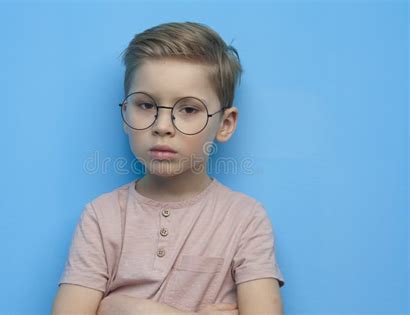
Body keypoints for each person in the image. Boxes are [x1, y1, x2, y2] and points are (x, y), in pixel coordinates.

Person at [52, 21, 285, 315]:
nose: (162, 127)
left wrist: (118, 308)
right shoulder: (101, 217)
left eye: (188, 109)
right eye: (146, 105)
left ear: (224, 125)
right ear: (125, 114)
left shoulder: (246, 220)